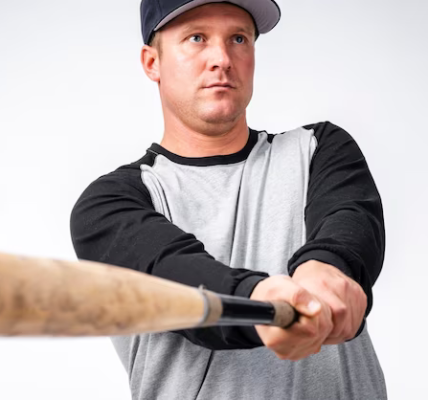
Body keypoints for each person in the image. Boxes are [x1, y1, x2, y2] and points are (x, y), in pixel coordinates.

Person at [70, 0, 387, 399]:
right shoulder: (109, 204)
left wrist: (326, 274)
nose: (221, 58)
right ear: (152, 62)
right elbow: (175, 275)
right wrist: (263, 302)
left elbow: (348, 222)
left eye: (238, 38)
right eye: (196, 38)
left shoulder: (318, 148)